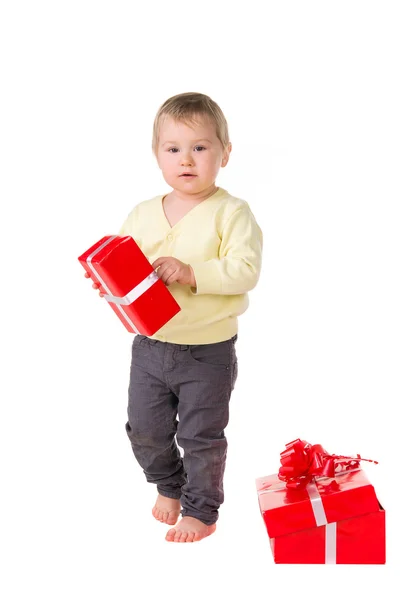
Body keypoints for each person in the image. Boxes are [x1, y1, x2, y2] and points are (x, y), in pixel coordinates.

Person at [88, 92, 263, 542]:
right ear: (157, 155)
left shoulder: (232, 212)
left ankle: (202, 510)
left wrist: (191, 272)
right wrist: (110, 282)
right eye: (174, 149)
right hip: (149, 345)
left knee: (202, 436)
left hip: (208, 350)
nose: (187, 159)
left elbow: (245, 270)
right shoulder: (143, 214)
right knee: (145, 429)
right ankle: (169, 484)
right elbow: (125, 266)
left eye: (200, 148)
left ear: (225, 153)